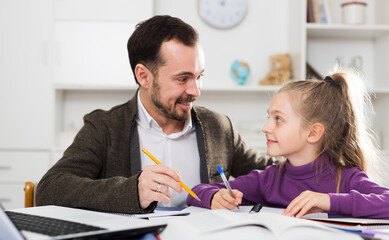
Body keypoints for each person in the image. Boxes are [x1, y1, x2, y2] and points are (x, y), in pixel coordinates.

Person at [35, 15, 274, 214]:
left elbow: (273, 174)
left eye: (199, 76)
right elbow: (49, 189)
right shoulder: (104, 127)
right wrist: (132, 191)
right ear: (144, 76)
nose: (195, 90)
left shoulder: (218, 126)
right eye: (182, 79)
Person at [187, 67, 389, 219]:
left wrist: (327, 201)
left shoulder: (347, 178)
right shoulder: (269, 179)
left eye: (278, 119)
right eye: (269, 117)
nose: (266, 127)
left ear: (313, 133)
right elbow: (195, 192)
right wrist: (215, 197)